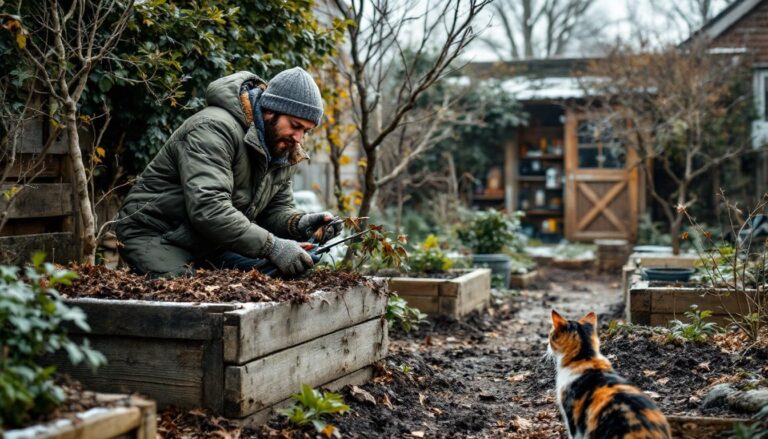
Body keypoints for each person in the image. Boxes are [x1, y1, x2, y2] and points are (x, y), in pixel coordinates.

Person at [116, 67, 341, 278]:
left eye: (306, 131)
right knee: (192, 296)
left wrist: (299, 223)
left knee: (287, 270)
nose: (298, 138)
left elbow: (274, 210)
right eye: (295, 125)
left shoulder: (281, 148)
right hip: (156, 235)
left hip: (211, 240)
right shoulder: (212, 128)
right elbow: (209, 208)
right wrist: (273, 246)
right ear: (271, 110)